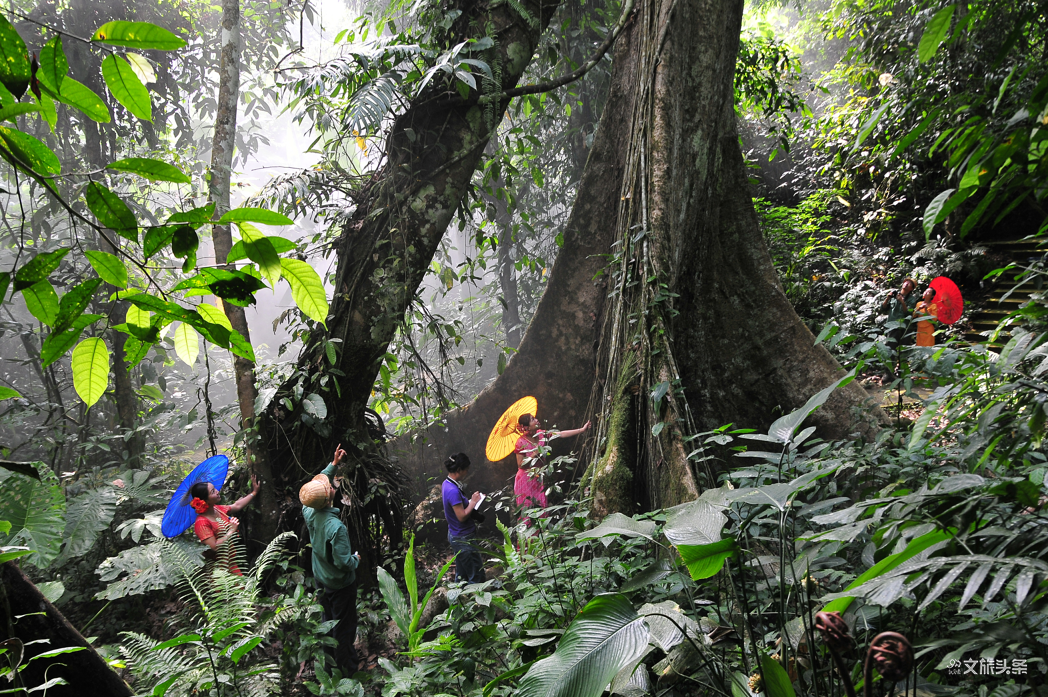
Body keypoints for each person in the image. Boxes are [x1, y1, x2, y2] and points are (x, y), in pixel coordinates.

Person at [300, 444, 361, 677]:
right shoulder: (336, 527)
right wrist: (356, 559)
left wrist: (333, 464)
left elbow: (319, 486)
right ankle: (347, 672)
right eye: (329, 487)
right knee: (344, 628)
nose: (331, 485)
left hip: (322, 581)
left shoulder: (309, 512)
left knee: (327, 622)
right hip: (340, 584)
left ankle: (329, 666)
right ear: (329, 497)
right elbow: (344, 562)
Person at [514, 413, 590, 512]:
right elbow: (520, 464)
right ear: (526, 427)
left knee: (542, 507)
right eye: (532, 419)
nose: (536, 420)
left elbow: (561, 434)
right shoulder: (520, 442)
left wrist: (582, 430)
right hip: (526, 479)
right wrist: (535, 454)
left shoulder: (542, 434)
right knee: (528, 509)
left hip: (539, 477)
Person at [190, 475, 260, 575]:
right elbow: (214, 547)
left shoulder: (217, 509)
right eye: (213, 492)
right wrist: (231, 531)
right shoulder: (201, 523)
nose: (217, 491)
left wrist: (254, 492)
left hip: (230, 561)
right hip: (218, 570)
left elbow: (237, 505)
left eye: (214, 489)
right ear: (204, 501)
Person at [442, 453, 485, 584]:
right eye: (466, 469)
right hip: (463, 538)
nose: (467, 472)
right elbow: (461, 516)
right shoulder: (453, 490)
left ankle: (460, 602)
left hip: (455, 534)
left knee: (462, 577)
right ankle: (477, 602)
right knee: (476, 576)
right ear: (459, 470)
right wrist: (473, 502)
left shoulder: (447, 483)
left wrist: (470, 501)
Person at [880, 277, 918, 347]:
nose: (906, 284)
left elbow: (908, 313)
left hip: (904, 328)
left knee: (903, 351)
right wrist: (887, 298)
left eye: (909, 283)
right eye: (906, 282)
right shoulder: (894, 295)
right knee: (890, 348)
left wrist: (902, 302)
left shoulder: (912, 299)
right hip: (892, 326)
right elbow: (883, 308)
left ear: (911, 289)